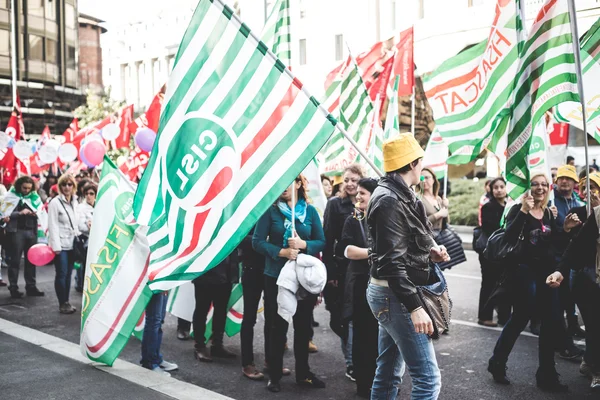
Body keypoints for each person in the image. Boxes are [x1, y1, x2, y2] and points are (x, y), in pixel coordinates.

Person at [367, 134, 449, 400]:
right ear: (414, 163)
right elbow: (391, 261)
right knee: (428, 380)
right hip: (396, 295)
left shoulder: (398, 194)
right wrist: (415, 306)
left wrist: (430, 253)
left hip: (391, 294)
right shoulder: (390, 199)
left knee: (389, 372)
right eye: (420, 160)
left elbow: (403, 247)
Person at [488, 173, 568, 392]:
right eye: (535, 184)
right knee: (521, 317)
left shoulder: (550, 213)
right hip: (523, 272)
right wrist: (523, 210)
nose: (540, 188)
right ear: (529, 187)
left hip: (546, 273)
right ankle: (497, 363)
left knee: (551, 321)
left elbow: (553, 244)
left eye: (544, 184)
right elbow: (509, 238)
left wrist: (566, 229)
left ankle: (547, 375)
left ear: (548, 188)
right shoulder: (517, 209)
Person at [253, 175, 326, 392]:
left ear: (298, 184)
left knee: (302, 327)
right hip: (276, 277)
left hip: (302, 279)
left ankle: (303, 373)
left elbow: (321, 241)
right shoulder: (270, 210)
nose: (283, 186)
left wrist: (304, 244)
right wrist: (281, 252)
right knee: (278, 326)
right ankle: (274, 374)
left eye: (288, 181)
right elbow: (257, 242)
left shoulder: (310, 212)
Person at [336, 177, 379, 398]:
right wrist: (376, 254)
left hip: (383, 285)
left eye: (364, 193)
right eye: (358, 193)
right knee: (363, 337)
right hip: (361, 284)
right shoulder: (353, 220)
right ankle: (364, 385)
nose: (358, 196)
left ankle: (380, 383)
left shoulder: (384, 218)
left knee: (381, 339)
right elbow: (348, 250)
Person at [322, 164, 365, 381]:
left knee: (359, 317)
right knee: (342, 318)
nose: (349, 184)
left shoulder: (368, 204)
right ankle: (351, 362)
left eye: (354, 180)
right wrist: (330, 273)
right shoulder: (335, 205)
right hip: (341, 269)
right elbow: (327, 240)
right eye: (347, 179)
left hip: (362, 269)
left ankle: (359, 360)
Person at [558, 171, 600, 391]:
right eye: (587, 188)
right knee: (593, 323)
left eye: (595, 187)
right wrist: (567, 229)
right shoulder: (577, 212)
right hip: (582, 275)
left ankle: (588, 361)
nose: (590, 192)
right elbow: (571, 246)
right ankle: (593, 367)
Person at [552, 165, 586, 339]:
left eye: (569, 178)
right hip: (555, 256)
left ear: (575, 182)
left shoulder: (579, 203)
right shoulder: (550, 202)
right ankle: (558, 331)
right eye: (561, 178)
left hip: (573, 255)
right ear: (556, 181)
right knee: (558, 294)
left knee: (571, 293)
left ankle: (572, 325)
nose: (564, 181)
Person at [192, 251, 239, 362]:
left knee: (221, 310)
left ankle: (217, 345)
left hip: (227, 270)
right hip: (205, 270)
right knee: (201, 309)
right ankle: (199, 346)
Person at [4, 176, 45, 298]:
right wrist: (20, 213)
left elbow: (41, 210)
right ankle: (13, 287)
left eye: (29, 188)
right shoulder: (12, 196)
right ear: (19, 186)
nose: (26, 190)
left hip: (31, 231)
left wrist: (36, 213)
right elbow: (4, 212)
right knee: (15, 260)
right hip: (17, 231)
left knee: (32, 260)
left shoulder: (34, 197)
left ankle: (31, 286)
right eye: (24, 188)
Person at [478, 177, 510, 327]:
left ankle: (504, 317)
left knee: (505, 285)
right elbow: (490, 229)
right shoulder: (488, 207)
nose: (498, 190)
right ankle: (484, 316)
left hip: (505, 253)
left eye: (501, 186)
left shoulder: (510, 206)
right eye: (495, 187)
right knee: (489, 285)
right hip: (490, 253)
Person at [48, 174, 79, 314]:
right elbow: (52, 224)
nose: (67, 187)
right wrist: (56, 246)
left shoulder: (76, 201)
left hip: (73, 243)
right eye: (64, 184)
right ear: (60, 187)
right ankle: (62, 303)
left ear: (73, 186)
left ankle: (66, 301)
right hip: (60, 244)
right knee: (61, 273)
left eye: (70, 184)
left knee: (68, 275)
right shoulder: (55, 202)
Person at [240, 225, 267, 380]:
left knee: (273, 318)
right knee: (249, 318)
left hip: (272, 270)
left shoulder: (276, 209)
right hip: (251, 269)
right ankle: (247, 363)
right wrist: (265, 242)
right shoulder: (251, 209)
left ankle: (272, 361)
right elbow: (240, 238)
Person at [141, 292, 179, 376]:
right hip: (154, 282)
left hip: (160, 283)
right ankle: (150, 361)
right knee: (154, 320)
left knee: (158, 320)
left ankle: (155, 358)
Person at [75, 183, 96, 293]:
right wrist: (89, 227)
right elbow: (80, 226)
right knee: (85, 266)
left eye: (91, 193)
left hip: (99, 241)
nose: (89, 196)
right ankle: (82, 285)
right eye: (86, 193)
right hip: (86, 241)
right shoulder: (81, 207)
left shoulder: (100, 205)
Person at [418, 167, 449, 235]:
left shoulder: (438, 199)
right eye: (421, 178)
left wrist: (445, 206)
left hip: (441, 237)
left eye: (427, 177)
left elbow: (446, 221)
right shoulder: (418, 199)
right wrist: (438, 215)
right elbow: (419, 223)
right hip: (428, 238)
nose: (424, 181)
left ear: (433, 179)